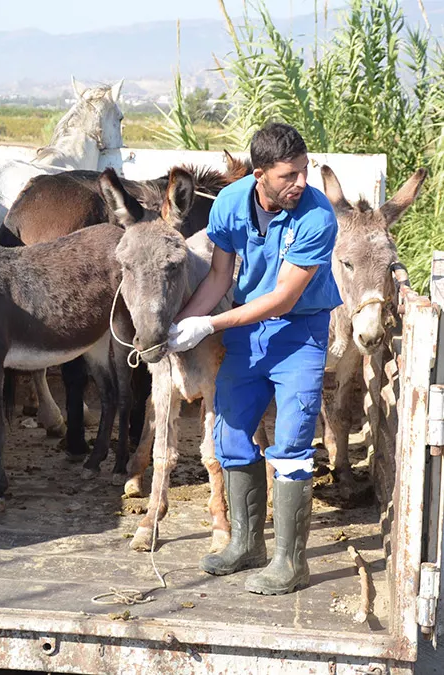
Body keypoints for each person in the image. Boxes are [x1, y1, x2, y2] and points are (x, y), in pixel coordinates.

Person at [168, 122, 342, 595]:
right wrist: (180, 325)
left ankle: (291, 562)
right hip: (248, 331)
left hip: (299, 334)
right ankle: (247, 545)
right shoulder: (228, 203)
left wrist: (210, 325)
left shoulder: (317, 216)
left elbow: (284, 298)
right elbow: (220, 277)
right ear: (259, 174)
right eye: (289, 175)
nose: (300, 183)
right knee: (231, 431)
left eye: (304, 171)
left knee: (290, 444)